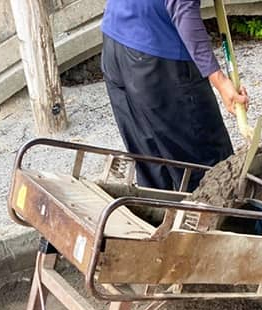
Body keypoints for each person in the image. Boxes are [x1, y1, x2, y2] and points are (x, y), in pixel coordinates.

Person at [100, 0, 249, 192]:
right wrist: (220, 81)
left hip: (115, 37)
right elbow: (183, 11)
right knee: (205, 159)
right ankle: (223, 217)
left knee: (150, 155)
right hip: (155, 49)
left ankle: (158, 215)